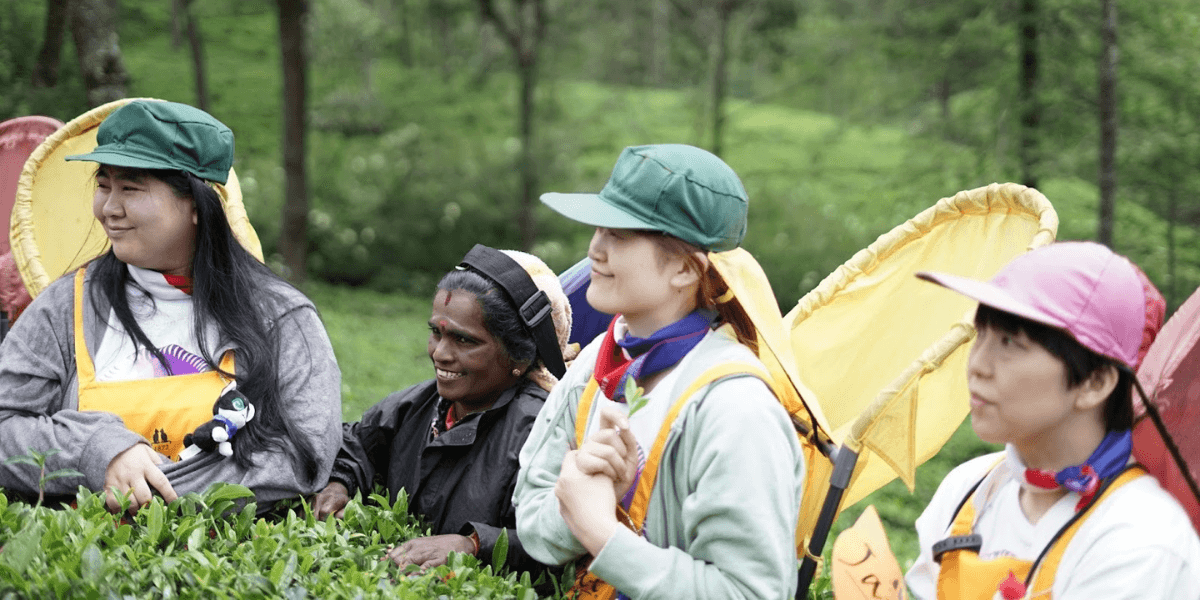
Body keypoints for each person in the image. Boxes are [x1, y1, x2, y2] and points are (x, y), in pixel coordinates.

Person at [0, 100, 342, 514]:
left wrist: (155, 493)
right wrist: (99, 450)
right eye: (104, 184)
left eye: (131, 188)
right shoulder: (64, 306)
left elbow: (303, 452)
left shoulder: (281, 315)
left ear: (196, 204)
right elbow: (6, 425)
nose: (109, 208)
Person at [513, 144, 805, 599]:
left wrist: (604, 535)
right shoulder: (598, 360)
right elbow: (531, 520)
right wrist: (585, 498)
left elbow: (751, 592)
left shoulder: (736, 409)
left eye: (621, 234)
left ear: (686, 269)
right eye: (598, 227)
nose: (595, 248)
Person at [906, 241, 1200, 599]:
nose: (977, 365)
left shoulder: (1140, 537)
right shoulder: (968, 488)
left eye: (1011, 343)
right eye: (981, 334)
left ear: (1095, 382)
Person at [312, 244, 572, 574]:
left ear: (518, 356)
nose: (440, 354)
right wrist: (339, 484)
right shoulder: (417, 405)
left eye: (465, 340)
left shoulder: (540, 431)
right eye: (437, 333)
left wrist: (474, 544)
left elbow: (565, 535)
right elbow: (358, 443)